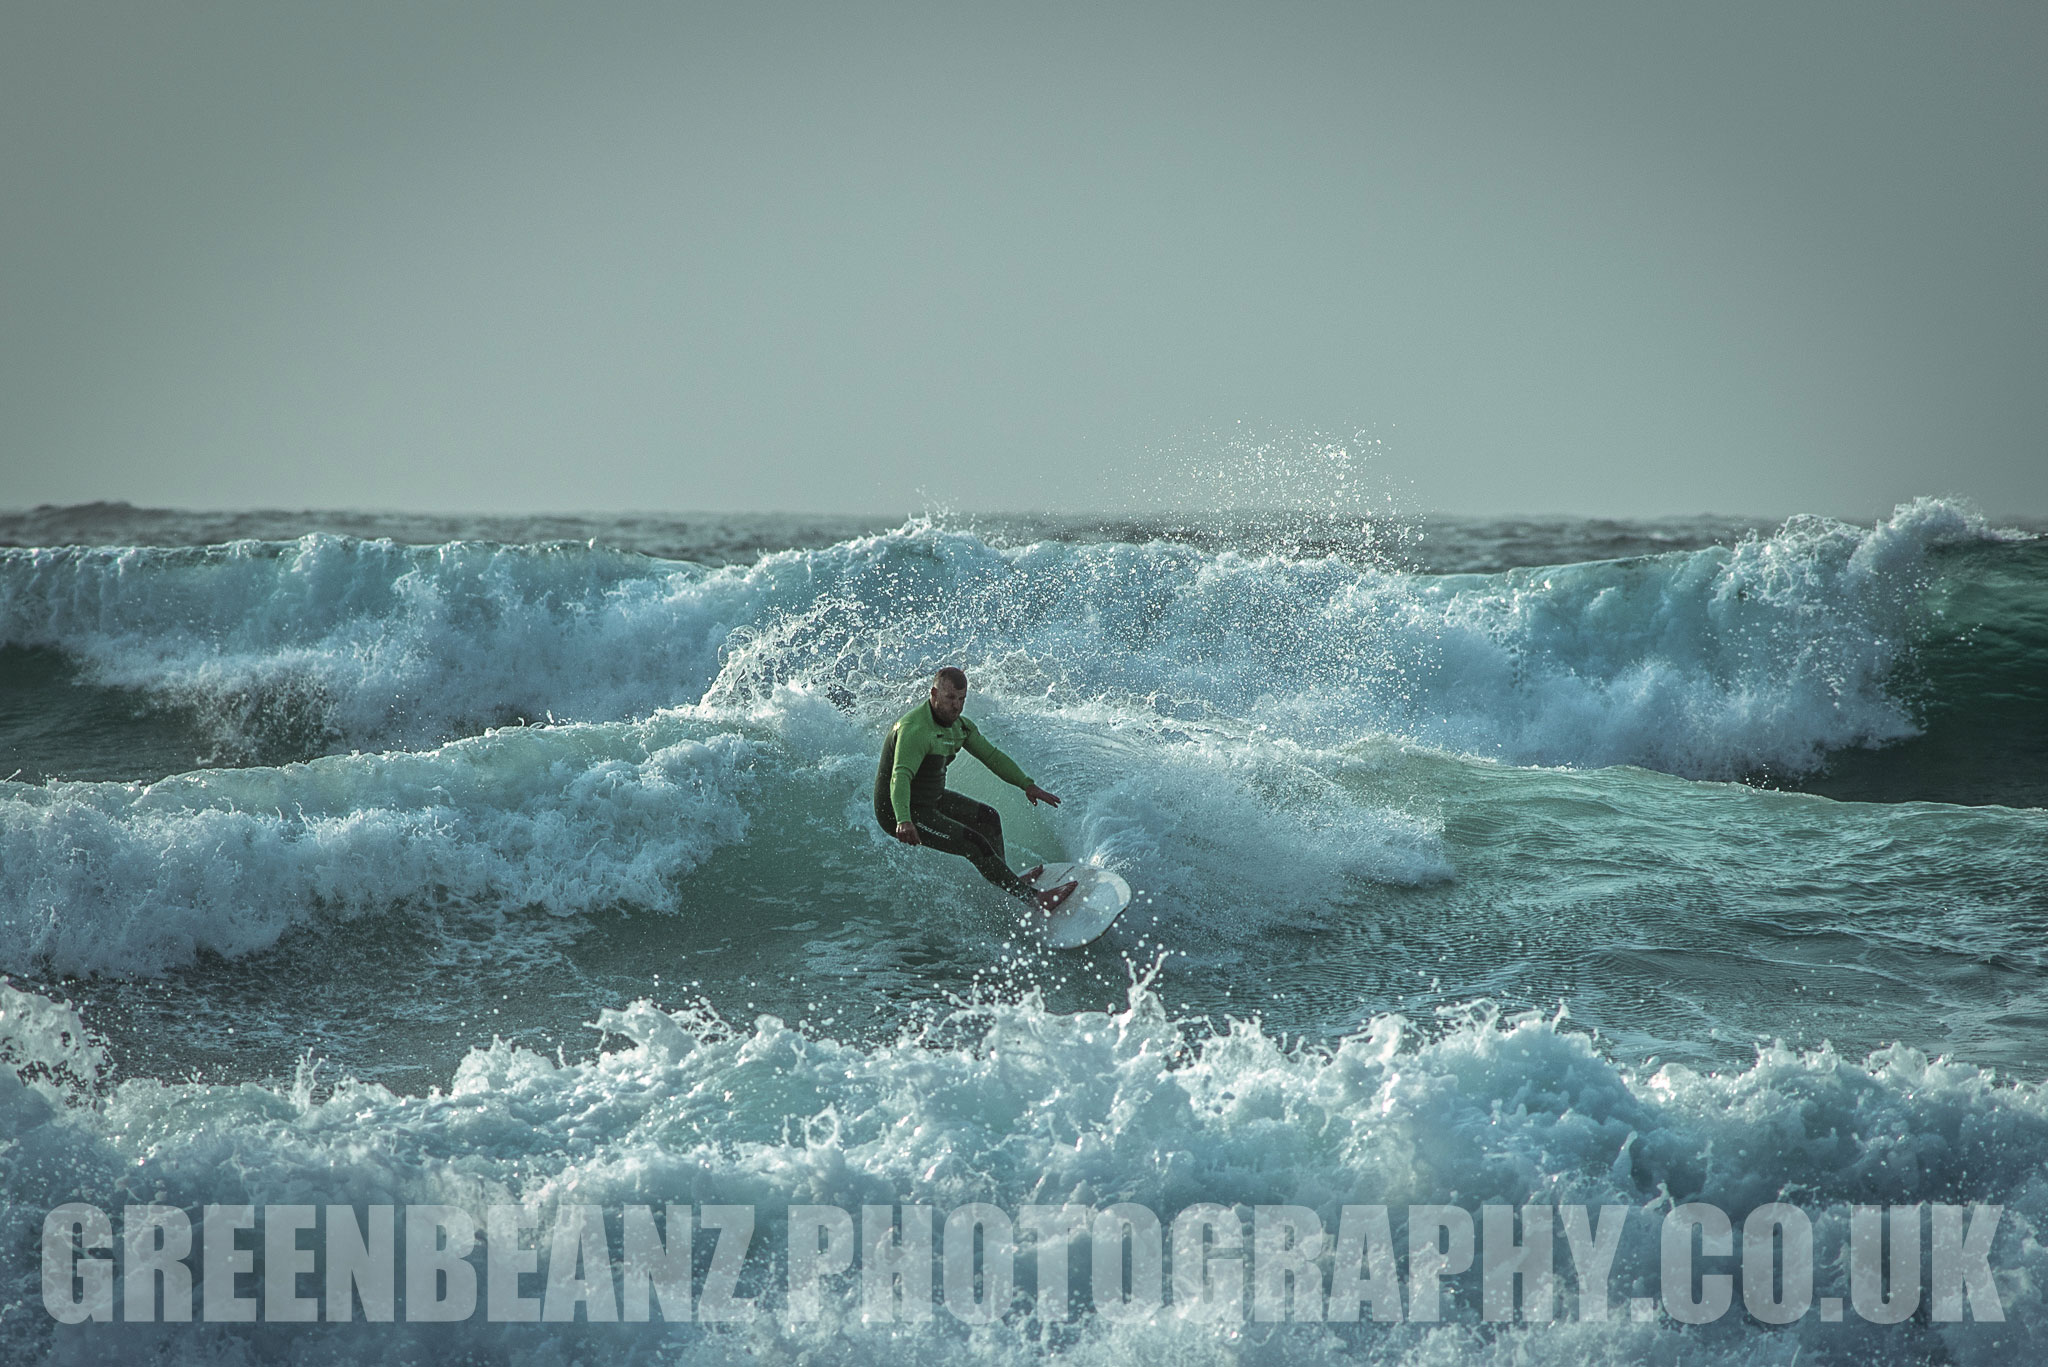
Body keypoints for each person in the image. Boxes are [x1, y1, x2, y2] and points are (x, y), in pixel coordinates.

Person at [874, 667, 1077, 912]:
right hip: (900, 810)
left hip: (930, 799)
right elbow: (901, 777)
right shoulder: (915, 729)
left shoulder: (961, 728)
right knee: (974, 844)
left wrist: (1027, 784)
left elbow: (991, 756)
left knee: (989, 819)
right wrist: (904, 820)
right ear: (934, 693)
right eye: (950, 698)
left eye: (962, 699)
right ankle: (1035, 899)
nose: (957, 706)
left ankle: (1009, 881)